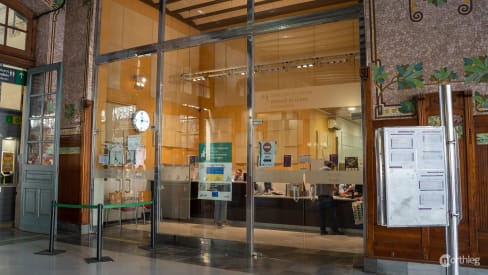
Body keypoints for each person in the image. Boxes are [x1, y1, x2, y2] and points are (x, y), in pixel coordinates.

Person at [317, 160, 343, 235]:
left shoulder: (319, 171)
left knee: (322, 216)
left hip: (320, 197)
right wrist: (337, 190)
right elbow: (330, 184)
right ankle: (335, 230)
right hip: (327, 197)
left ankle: (323, 230)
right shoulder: (329, 171)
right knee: (332, 215)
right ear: (331, 166)